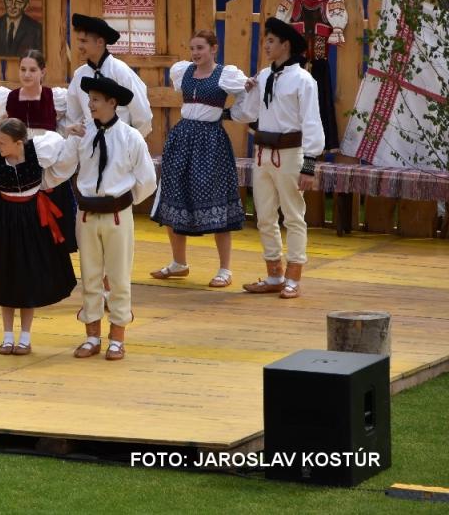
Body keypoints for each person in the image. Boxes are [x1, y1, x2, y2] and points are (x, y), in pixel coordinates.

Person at [49, 76, 157, 361]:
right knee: (90, 276)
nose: (90, 104)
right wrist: (69, 137)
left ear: (112, 103)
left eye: (96, 100)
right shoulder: (82, 134)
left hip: (117, 216)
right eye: (89, 99)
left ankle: (117, 338)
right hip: (86, 215)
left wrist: (122, 202)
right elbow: (62, 168)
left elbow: (147, 180)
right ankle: (92, 336)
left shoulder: (131, 137)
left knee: (119, 277)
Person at [0, 118, 76, 355]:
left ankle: (25, 337)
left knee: (28, 274)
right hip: (4, 219)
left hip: (32, 219)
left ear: (19, 143)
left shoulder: (37, 153)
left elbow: (62, 153)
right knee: (6, 273)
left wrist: (71, 132)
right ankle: (7, 336)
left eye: (3, 142)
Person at [230, 18, 324, 300]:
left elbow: (312, 123)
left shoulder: (303, 80)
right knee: (264, 216)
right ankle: (274, 275)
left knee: (293, 216)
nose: (266, 46)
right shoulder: (263, 76)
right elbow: (247, 115)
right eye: (265, 41)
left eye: (271, 41)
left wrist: (309, 166)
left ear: (286, 45)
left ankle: (293, 278)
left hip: (290, 154)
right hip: (262, 154)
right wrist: (246, 91)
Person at [150, 30, 249, 288]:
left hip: (210, 141)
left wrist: (230, 113)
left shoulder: (225, 75)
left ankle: (225, 269)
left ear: (213, 48)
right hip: (182, 138)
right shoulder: (183, 71)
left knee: (217, 200)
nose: (195, 53)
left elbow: (248, 93)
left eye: (201, 48)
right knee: (174, 195)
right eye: (193, 48)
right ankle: (179, 263)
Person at [0, 49, 77, 253]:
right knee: (24, 220)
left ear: (43, 72)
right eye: (23, 69)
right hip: (21, 165)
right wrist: (4, 140)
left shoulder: (54, 97)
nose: (27, 74)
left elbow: (65, 122)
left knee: (53, 223)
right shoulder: (8, 98)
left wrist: (59, 139)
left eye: (32, 70)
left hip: (47, 162)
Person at [66, 13, 152, 137]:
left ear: (100, 42)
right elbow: (74, 116)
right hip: (91, 145)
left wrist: (129, 143)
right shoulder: (79, 75)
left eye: (84, 41)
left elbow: (143, 116)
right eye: (78, 41)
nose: (79, 46)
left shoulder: (120, 71)